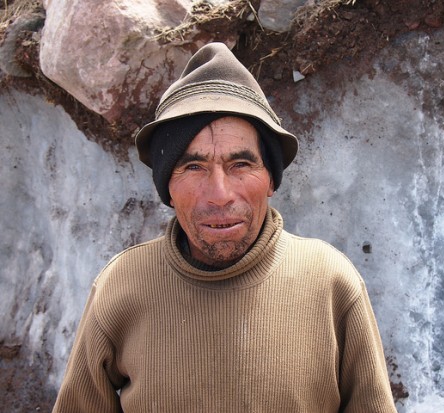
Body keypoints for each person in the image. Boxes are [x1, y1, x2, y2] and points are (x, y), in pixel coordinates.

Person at [53, 42, 397, 412]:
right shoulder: (121, 286)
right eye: (193, 167)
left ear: (271, 180)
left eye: (241, 165)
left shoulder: (331, 282)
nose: (219, 194)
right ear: (168, 187)